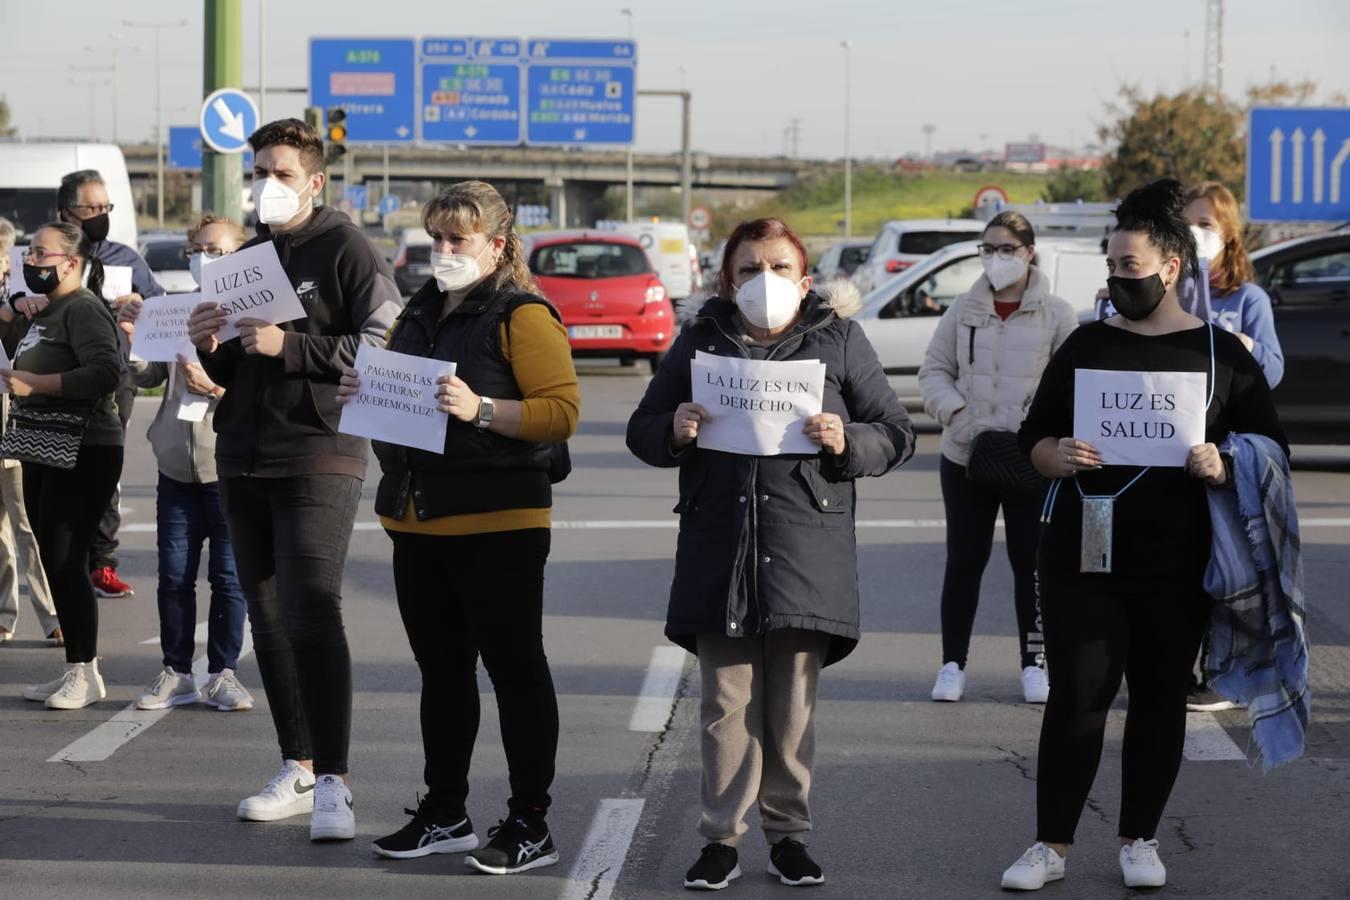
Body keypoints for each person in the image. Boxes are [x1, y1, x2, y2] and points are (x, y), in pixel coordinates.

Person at [1000, 180, 1287, 891]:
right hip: (1082, 553)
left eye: (1130, 268)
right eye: (1111, 266)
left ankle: (1140, 839)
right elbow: (1031, 441)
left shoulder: (1224, 356)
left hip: (1178, 561)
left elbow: (1270, 448)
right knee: (1077, 698)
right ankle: (1050, 846)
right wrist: (1054, 455)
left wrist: (1226, 460)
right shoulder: (1086, 344)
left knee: (1159, 700)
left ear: (1170, 267)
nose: (1117, 280)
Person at [627, 217, 915, 891]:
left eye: (779, 267)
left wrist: (847, 440)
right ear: (727, 281)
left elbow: (896, 433)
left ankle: (788, 836)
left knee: (791, 707)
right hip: (718, 548)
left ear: (804, 278)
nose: (765, 281)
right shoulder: (700, 340)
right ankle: (720, 840)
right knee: (726, 705)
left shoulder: (839, 338)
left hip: (805, 547)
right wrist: (673, 429)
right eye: (749, 268)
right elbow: (644, 427)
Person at [337, 180, 580, 875]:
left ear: (497, 245)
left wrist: (479, 409)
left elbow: (559, 412)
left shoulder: (522, 314)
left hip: (499, 517)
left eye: (459, 239)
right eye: (437, 238)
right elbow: (400, 401)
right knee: (442, 676)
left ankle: (530, 821)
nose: (444, 250)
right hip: (420, 519)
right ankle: (446, 811)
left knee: (514, 670)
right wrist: (365, 392)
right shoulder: (419, 309)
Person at [187, 118, 401, 841]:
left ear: (314, 181)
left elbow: (382, 342)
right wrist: (209, 345)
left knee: (314, 608)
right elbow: (231, 367)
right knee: (268, 615)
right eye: (258, 172)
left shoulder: (346, 248)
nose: (265, 185)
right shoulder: (248, 255)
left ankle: (336, 782)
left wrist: (292, 344)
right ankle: (299, 765)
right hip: (243, 452)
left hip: (319, 450)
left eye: (280, 173)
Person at [918, 211, 1076, 705]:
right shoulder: (963, 309)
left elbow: (1072, 385)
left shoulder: (1055, 314)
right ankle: (952, 665)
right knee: (964, 561)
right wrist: (956, 411)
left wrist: (1045, 434)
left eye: (1006, 248)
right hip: (967, 455)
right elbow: (933, 371)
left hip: (1031, 460)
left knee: (1031, 563)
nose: (995, 258)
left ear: (1029, 253)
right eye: (988, 249)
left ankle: (1034, 665)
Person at [118, 214, 254, 713]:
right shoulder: (174, 308)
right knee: (173, 575)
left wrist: (216, 387)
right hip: (175, 469)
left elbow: (262, 394)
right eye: (197, 248)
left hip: (228, 471)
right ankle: (176, 672)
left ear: (240, 255)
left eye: (216, 250)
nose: (204, 258)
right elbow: (150, 371)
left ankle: (223, 673)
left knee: (228, 577)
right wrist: (134, 342)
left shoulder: (250, 319)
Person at [9, 223, 124, 709]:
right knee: (56, 557)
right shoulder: (49, 309)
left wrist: (38, 384)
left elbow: (105, 372)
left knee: (65, 558)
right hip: (42, 443)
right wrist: (16, 302)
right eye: (29, 253)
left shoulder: (82, 308)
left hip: (85, 445)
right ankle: (79, 669)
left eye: (41, 253)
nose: (31, 261)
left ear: (71, 262)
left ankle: (84, 669)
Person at [1182, 181, 1286, 713]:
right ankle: (1177, 668)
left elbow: (1273, 369)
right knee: (1186, 563)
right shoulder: (1174, 289)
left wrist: (1244, 345)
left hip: (1227, 454)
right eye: (1190, 223)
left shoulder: (1248, 299)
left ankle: (1223, 675)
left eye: (1207, 225)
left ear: (1228, 235)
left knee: (1230, 565)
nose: (1197, 234)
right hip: (1178, 446)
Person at [56, 169, 164, 600]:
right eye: (91, 208)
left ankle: (102, 562)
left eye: (106, 208)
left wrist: (140, 306)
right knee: (58, 472)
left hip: (115, 378)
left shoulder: (124, 256)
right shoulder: (48, 254)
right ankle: (61, 560)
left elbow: (158, 303)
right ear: (66, 211)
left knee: (106, 469)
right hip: (55, 378)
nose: (101, 216)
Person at [0, 217, 60, 646]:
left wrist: (16, 303)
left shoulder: (25, 305)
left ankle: (54, 614)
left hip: (15, 428)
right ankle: (5, 614)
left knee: (28, 526)